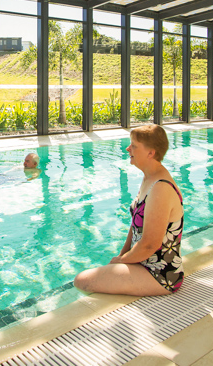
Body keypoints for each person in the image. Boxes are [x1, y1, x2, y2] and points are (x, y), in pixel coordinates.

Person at [73, 124, 183, 296]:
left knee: (82, 281)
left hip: (161, 275)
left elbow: (149, 245)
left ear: (150, 153)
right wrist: (121, 256)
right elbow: (136, 225)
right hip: (142, 263)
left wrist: (121, 260)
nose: (128, 148)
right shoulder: (149, 178)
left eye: (134, 145)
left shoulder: (161, 188)